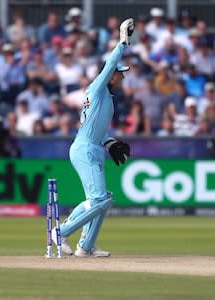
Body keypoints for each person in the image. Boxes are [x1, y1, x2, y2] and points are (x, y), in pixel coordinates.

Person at [52, 18, 134, 257]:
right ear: (110, 76)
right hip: (84, 148)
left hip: (94, 146)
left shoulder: (106, 98)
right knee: (99, 199)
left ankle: (85, 247)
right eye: (120, 74)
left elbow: (97, 129)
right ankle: (61, 232)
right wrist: (122, 44)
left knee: (103, 199)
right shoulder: (97, 88)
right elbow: (109, 67)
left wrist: (111, 144)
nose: (122, 77)